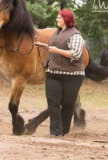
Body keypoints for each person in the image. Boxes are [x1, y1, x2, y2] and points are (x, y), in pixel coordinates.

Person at [35, 8, 85, 136]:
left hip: (72, 76)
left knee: (67, 105)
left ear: (66, 20)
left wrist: (56, 50)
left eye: (59, 18)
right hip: (53, 73)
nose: (57, 19)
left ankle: (64, 131)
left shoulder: (76, 35)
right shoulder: (56, 33)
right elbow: (55, 48)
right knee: (53, 103)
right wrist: (42, 45)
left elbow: (76, 54)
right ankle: (55, 132)